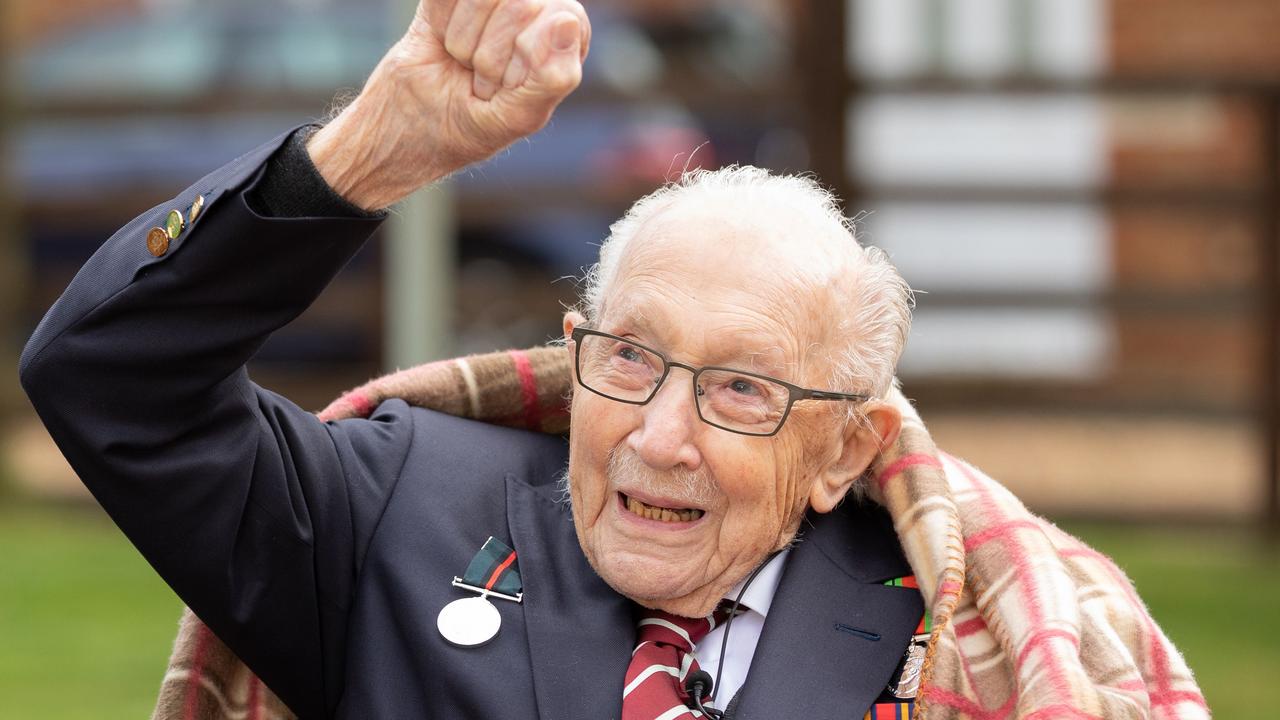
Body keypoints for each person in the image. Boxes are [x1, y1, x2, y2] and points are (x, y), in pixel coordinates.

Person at [21, 1, 1208, 719]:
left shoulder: (962, 627)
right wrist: (374, 149)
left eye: (739, 387)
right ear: (573, 348)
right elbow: (112, 378)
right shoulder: (392, 506)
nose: (657, 436)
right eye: (630, 360)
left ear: (843, 446)